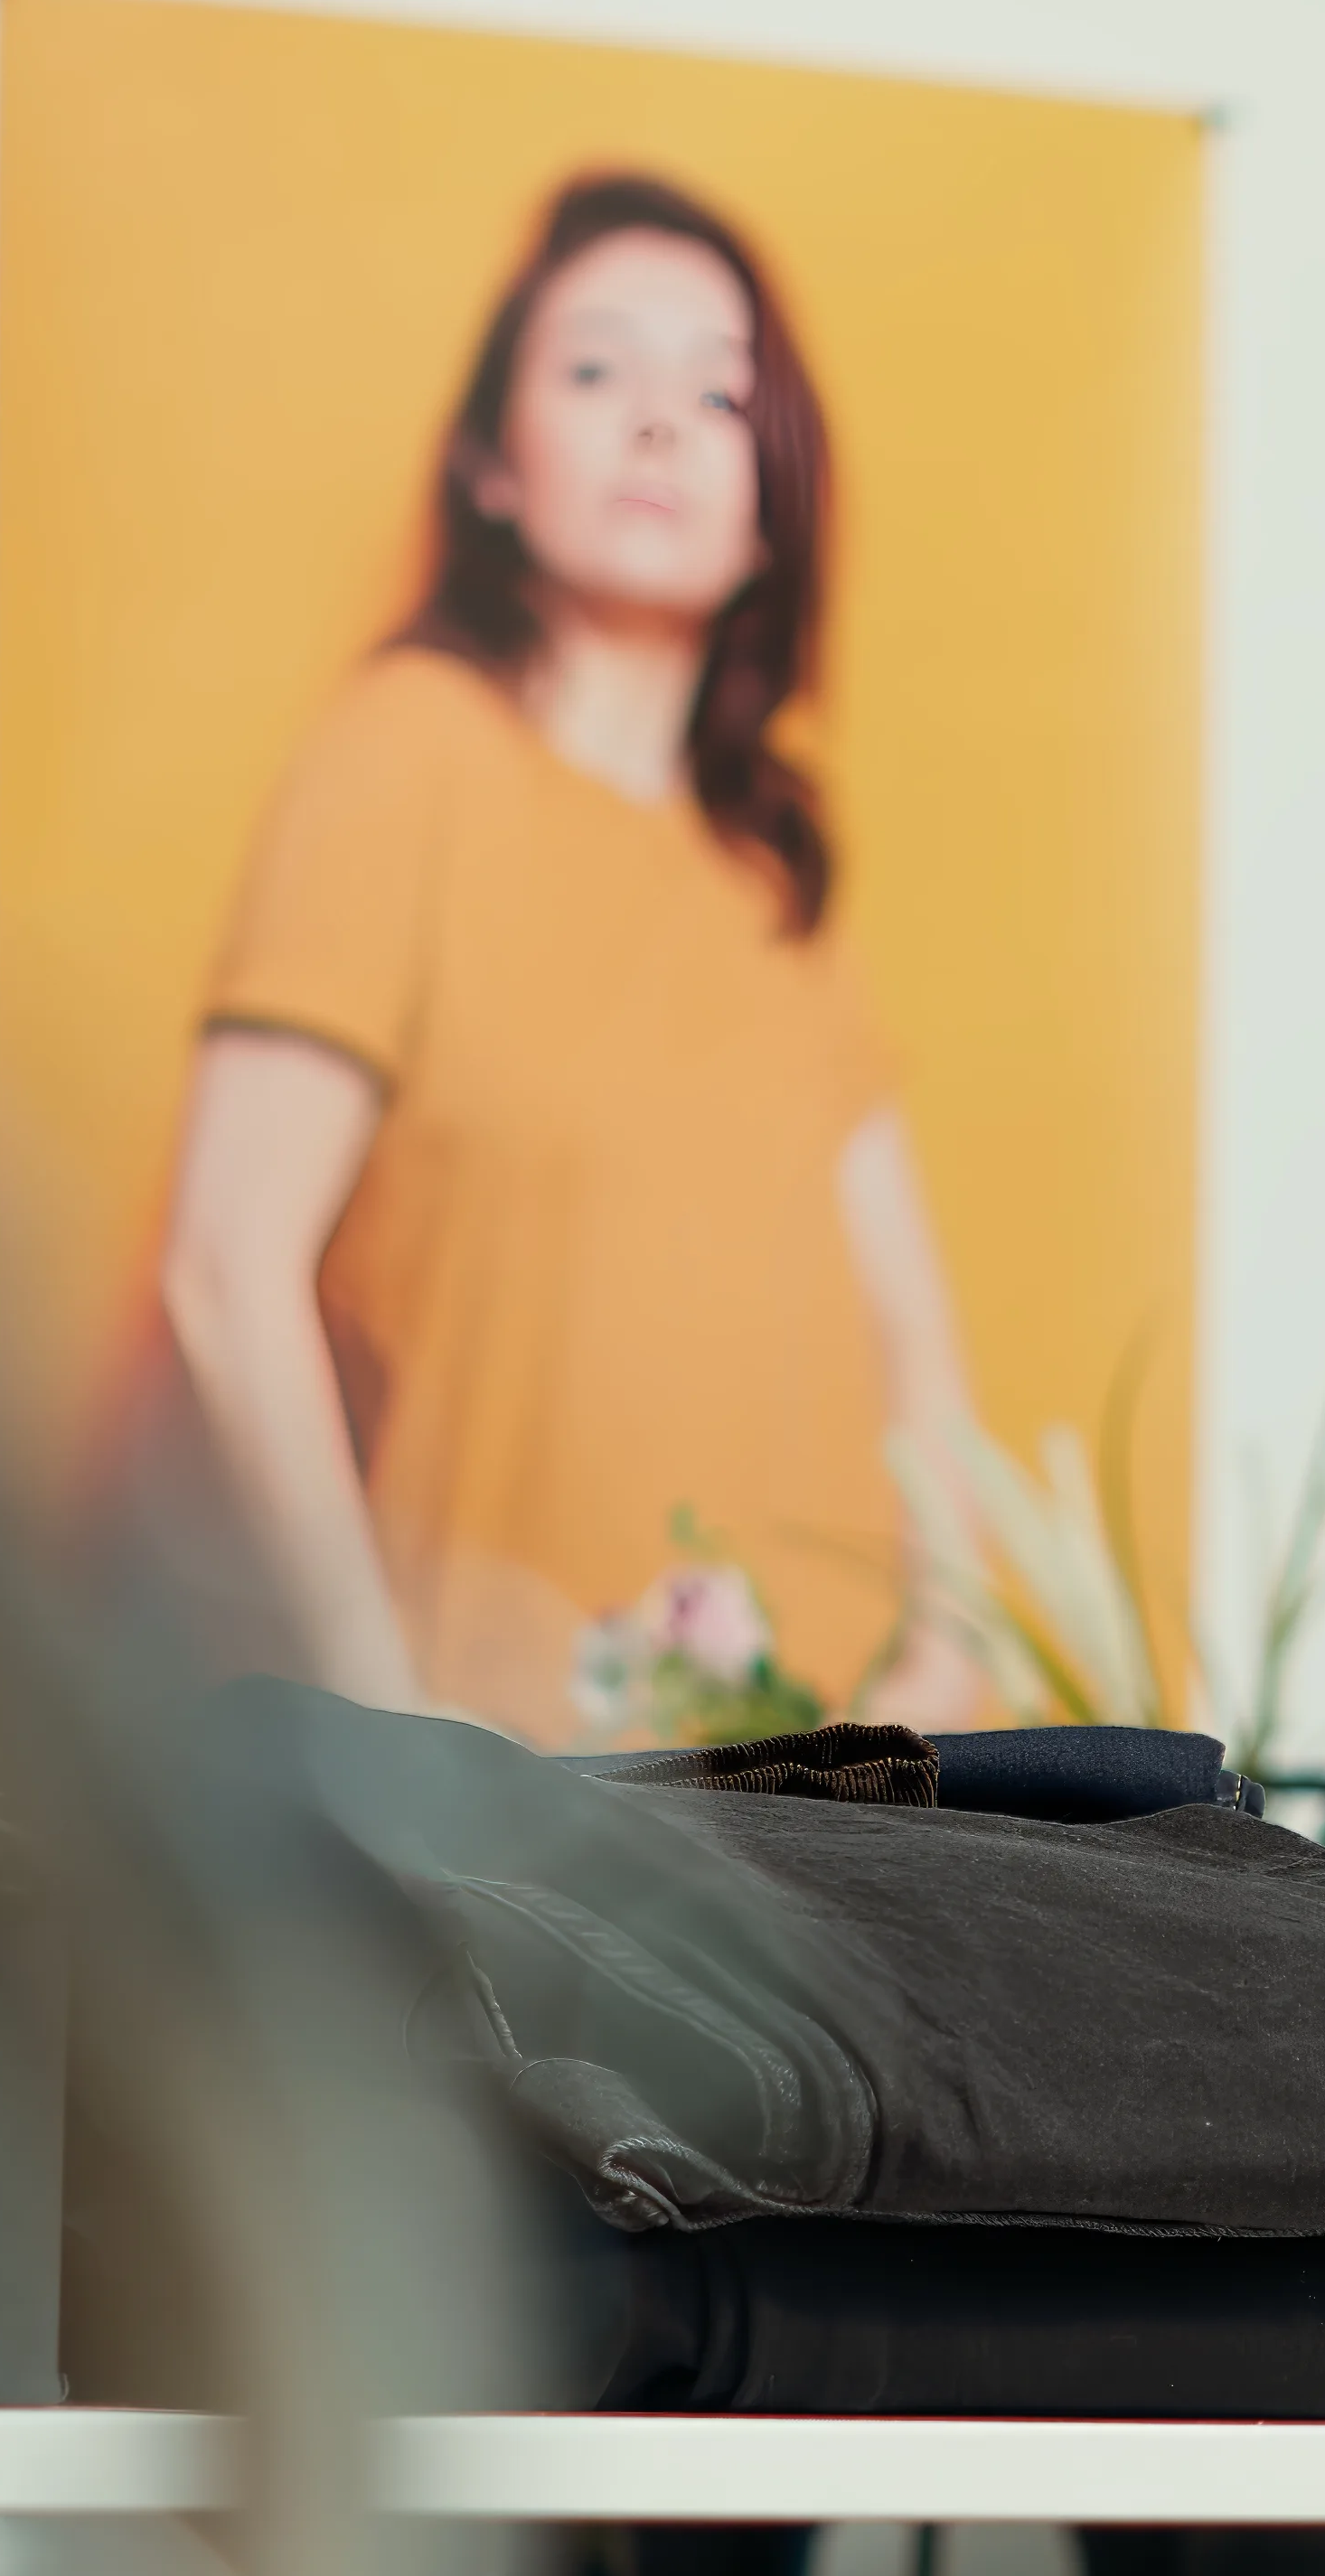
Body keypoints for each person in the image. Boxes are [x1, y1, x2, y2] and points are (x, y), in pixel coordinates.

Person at [148, 170, 993, 1744]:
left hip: (842, 1811)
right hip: (518, 1799)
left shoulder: (774, 869)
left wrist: (943, 1672)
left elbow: (914, 1341)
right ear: (489, 464)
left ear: (772, 499)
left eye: (718, 389)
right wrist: (375, 1715)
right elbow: (222, 1263)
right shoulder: (405, 753)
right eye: (597, 369)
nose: (660, 420)